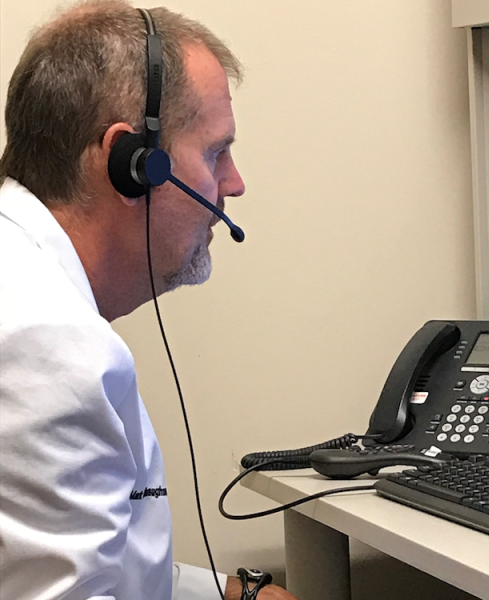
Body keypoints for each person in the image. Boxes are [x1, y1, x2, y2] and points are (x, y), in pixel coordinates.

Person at [0, 1, 297, 599]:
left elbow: (106, 576)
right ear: (130, 165)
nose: (233, 183)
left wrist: (236, 594)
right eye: (216, 152)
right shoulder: (45, 344)